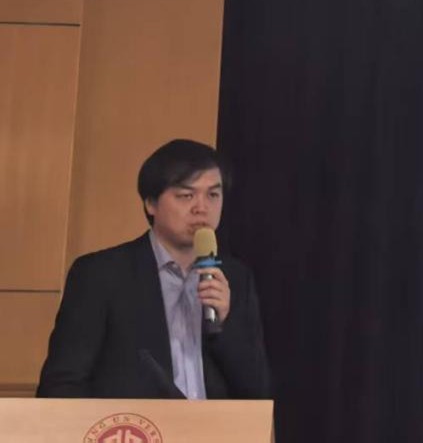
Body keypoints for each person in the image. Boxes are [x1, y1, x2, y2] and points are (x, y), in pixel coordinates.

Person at [37, 139, 270, 399]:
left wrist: (225, 324)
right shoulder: (100, 274)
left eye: (213, 195)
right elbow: (62, 384)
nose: (202, 208)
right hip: (135, 424)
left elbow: (256, 393)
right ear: (151, 203)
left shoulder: (235, 278)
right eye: (186, 195)